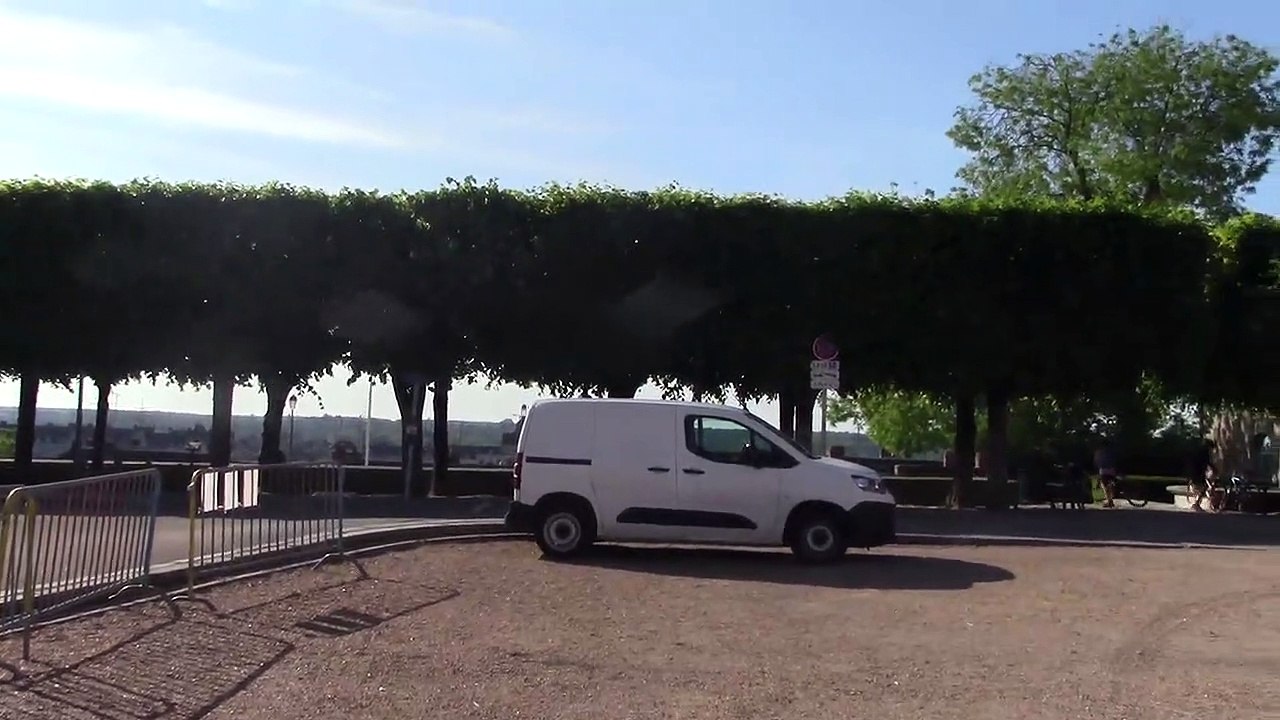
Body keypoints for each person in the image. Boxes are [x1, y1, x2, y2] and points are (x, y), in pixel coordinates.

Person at [1189, 439, 1219, 512]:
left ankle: (1197, 503)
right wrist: (1214, 468)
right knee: (1202, 488)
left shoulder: (1199, 451)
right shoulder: (1204, 452)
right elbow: (1207, 462)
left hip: (1197, 471)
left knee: (1203, 487)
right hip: (1199, 472)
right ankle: (1196, 504)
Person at [1093, 440, 1119, 509]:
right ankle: (1111, 497)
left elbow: (1097, 462)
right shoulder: (1112, 452)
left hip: (1104, 471)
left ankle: (1109, 501)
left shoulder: (1099, 452)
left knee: (1105, 486)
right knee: (1111, 485)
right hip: (1112, 470)